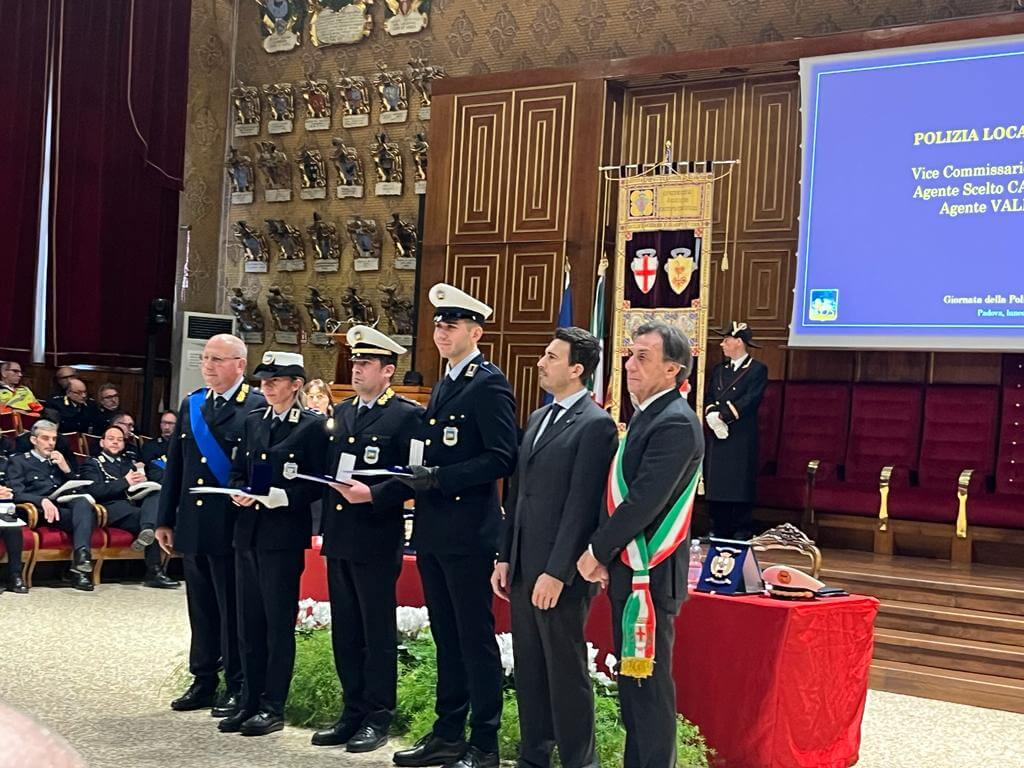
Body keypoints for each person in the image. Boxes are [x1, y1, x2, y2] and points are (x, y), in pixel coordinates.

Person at [389, 283, 517, 768]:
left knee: (474, 639)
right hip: (435, 528)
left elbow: (502, 456)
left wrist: (441, 478)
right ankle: (447, 732)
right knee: (445, 636)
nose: (442, 333)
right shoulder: (445, 381)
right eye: (439, 325)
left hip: (468, 531)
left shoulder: (488, 383)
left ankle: (484, 742)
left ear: (475, 332)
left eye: (452, 326)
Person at [576, 322, 704, 768]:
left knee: (648, 690)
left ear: (673, 369)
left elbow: (643, 502)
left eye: (643, 357)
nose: (629, 364)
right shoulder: (648, 415)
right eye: (630, 355)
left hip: (652, 572)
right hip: (629, 570)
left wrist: (596, 551)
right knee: (634, 689)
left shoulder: (675, 422)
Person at [492, 327, 617, 768]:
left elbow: (582, 506)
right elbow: (518, 494)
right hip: (524, 565)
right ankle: (534, 756)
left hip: (560, 574)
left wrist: (558, 571)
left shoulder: (596, 424)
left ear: (577, 368)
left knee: (565, 672)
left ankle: (580, 761)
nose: (541, 363)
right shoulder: (539, 417)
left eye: (551, 356)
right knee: (529, 667)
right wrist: (505, 556)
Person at [315, 327, 423, 753]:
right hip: (340, 535)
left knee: (375, 631)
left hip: (377, 535)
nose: (357, 369)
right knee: (345, 630)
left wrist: (375, 494)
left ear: (388, 370)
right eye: (355, 362)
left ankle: (378, 715)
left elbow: (414, 477)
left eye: (365, 363)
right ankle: (352, 710)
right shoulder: (342, 411)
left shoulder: (406, 416)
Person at [218, 351, 328, 737]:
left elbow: (319, 482)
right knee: (248, 622)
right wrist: (237, 491)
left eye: (275, 380)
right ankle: (248, 700)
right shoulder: (253, 421)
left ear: (296, 385)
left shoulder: (312, 426)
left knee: (277, 624)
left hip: (282, 536)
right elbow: (239, 471)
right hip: (248, 532)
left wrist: (286, 497)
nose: (265, 386)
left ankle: (272, 705)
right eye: (263, 380)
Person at [156, 334, 265, 717]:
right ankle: (203, 679)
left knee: (232, 607)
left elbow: (258, 466)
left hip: (231, 523)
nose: (208, 366)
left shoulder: (255, 405)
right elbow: (177, 465)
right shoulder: (193, 404)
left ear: (240, 364)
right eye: (205, 358)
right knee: (200, 607)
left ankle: (236, 683)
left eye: (217, 359)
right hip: (194, 522)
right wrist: (165, 518)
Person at [78, 425, 178, 588]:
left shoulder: (129, 463)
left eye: (119, 440)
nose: (115, 442)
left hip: (132, 506)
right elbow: (95, 490)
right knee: (152, 521)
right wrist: (125, 482)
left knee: (156, 496)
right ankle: (154, 571)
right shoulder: (92, 463)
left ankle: (149, 542)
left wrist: (144, 482)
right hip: (109, 508)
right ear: (102, 442)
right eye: (111, 439)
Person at [6, 420, 98, 592]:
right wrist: (41, 500)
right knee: (85, 521)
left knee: (83, 503)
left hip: (60, 509)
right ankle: (80, 572)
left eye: (54, 439)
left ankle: (81, 558)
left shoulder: (58, 461)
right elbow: (16, 493)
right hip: (36, 511)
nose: (50, 443)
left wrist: (66, 469)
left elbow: (78, 488)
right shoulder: (20, 461)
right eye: (45, 438)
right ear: (34, 440)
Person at [703, 321, 768, 540]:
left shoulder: (757, 369)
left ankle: (741, 528)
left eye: (726, 340)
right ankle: (718, 528)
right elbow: (710, 395)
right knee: (718, 480)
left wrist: (724, 415)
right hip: (717, 432)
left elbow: (751, 399)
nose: (722, 344)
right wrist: (712, 414)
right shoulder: (720, 370)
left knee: (739, 481)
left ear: (739, 342)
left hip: (741, 433)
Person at [0, 454, 29, 594]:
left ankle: (15, 576)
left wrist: (6, 493)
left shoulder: (4, 461)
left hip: (2, 508)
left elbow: (12, 486)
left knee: (13, 528)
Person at [141, 410, 177, 481]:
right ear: (160, 424)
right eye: (164, 423)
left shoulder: (183, 446)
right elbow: (150, 470)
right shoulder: (150, 446)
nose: (166, 427)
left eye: (170, 423)